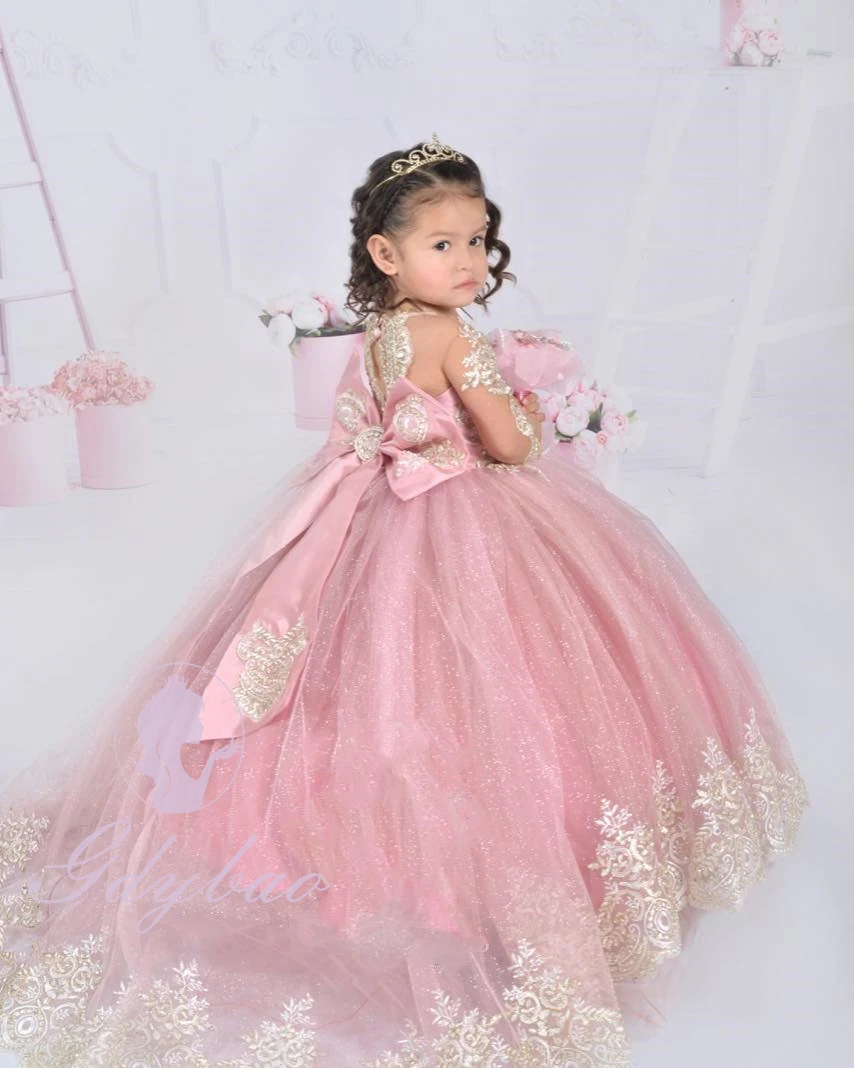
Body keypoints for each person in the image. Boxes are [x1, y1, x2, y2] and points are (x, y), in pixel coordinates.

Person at [0, 134, 809, 1066]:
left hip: (369, 511)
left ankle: (328, 855)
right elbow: (509, 445)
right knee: (496, 680)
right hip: (461, 512)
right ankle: (481, 878)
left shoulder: (381, 329)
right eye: (443, 244)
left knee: (350, 670)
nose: (468, 262)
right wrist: (525, 412)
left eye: (477, 240)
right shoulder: (455, 336)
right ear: (387, 253)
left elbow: (377, 421)